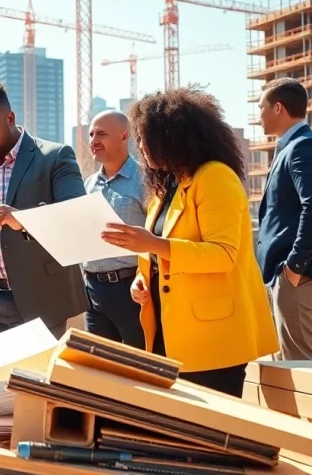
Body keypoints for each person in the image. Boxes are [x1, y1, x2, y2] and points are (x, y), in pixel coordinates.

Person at [101, 87, 278, 397]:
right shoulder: (167, 186)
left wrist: (152, 244)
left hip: (213, 337)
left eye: (144, 138)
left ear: (171, 136)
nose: (139, 147)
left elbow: (223, 254)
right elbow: (160, 254)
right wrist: (142, 281)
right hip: (169, 333)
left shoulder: (215, 178)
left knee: (211, 434)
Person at [0, 81, 89, 342]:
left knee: (34, 382)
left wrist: (22, 219)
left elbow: (75, 217)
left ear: (10, 118)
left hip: (40, 301)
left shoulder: (55, 157)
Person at [256, 77, 312, 361]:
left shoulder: (302, 147)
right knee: (303, 366)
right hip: (301, 276)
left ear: (278, 108)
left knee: (303, 368)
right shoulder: (295, 146)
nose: (259, 116)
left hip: (301, 277)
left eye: (261, 108)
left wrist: (294, 266)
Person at [80, 110, 147, 349]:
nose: (93, 140)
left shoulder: (146, 180)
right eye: (91, 134)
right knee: (100, 370)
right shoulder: (88, 185)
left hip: (131, 291)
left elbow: (159, 234)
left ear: (124, 136)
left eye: (101, 134)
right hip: (93, 292)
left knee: (139, 368)